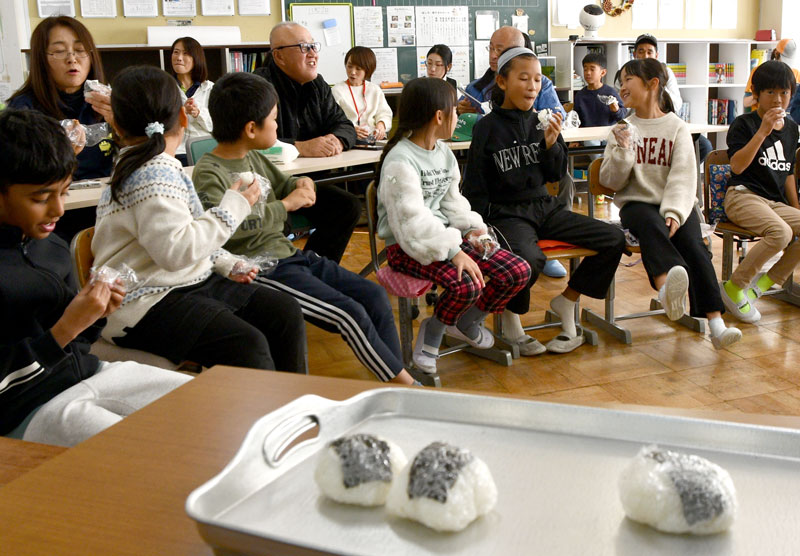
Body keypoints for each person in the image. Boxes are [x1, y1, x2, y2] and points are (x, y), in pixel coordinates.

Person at [193, 72, 416, 385]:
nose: (277, 125)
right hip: (261, 267)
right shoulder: (209, 173)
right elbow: (226, 230)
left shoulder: (254, 156)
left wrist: (302, 182)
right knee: (349, 314)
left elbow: (284, 183)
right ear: (251, 128)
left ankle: (396, 375)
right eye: (273, 119)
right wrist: (286, 205)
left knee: (373, 297)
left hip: (290, 256)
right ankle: (405, 385)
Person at [91, 65, 307, 373]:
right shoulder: (152, 173)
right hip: (143, 301)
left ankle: (291, 410)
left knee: (282, 311)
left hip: (182, 283)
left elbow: (184, 232)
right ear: (182, 117)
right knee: (247, 345)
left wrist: (223, 261)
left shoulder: (154, 167)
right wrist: (233, 207)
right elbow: (176, 252)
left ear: (118, 127)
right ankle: (266, 417)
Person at [0, 108, 190, 447]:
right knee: (141, 450)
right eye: (41, 197)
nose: (58, 210)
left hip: (84, 374)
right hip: (24, 410)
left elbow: (78, 346)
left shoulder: (52, 248)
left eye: (64, 192)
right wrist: (66, 329)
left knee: (200, 403)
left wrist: (95, 315)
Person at [462, 48, 626, 355]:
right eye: (523, 78)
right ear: (502, 81)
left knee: (613, 238)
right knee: (529, 259)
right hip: (506, 212)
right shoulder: (487, 127)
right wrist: (478, 226)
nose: (532, 86)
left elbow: (555, 176)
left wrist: (551, 144)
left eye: (537, 79)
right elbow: (475, 184)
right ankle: (512, 322)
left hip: (544, 206)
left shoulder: (545, 121)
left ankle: (567, 300)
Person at [377, 77, 531, 374]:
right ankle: (434, 331)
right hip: (407, 246)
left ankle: (465, 322)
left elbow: (453, 202)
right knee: (467, 284)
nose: (458, 117)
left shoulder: (443, 153)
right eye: (454, 111)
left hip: (443, 239)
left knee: (516, 271)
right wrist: (452, 251)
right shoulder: (400, 160)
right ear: (439, 116)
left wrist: (473, 231)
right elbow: (411, 223)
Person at [599, 58, 742, 349]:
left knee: (695, 245)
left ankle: (716, 324)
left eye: (628, 80)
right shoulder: (622, 128)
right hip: (637, 203)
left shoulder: (677, 128)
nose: (622, 87)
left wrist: (676, 212)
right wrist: (624, 151)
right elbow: (610, 181)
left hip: (675, 203)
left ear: (652, 84)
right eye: (621, 81)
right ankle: (667, 291)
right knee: (651, 226)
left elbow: (684, 177)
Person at [254, 22, 360, 264]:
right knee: (278, 219)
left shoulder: (318, 84)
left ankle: (314, 267)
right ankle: (284, 275)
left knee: (347, 206)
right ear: (278, 56)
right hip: (267, 187)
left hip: (307, 182)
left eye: (314, 46)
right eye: (304, 47)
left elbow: (344, 125)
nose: (313, 54)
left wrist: (338, 141)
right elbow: (249, 139)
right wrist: (300, 147)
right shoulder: (257, 87)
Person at [7, 16, 114, 240]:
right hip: (52, 223)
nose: (72, 58)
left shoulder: (105, 102)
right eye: (59, 51)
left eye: (80, 50)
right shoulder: (22, 114)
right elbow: (22, 182)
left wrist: (124, 127)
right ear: (41, 60)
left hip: (107, 214)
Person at [719, 61, 800, 324]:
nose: (778, 99)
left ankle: (761, 286)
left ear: (792, 94)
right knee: (781, 233)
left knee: (793, 227)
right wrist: (763, 131)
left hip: (772, 202)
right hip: (742, 195)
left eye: (784, 93)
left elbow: (788, 173)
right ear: (757, 95)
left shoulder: (791, 129)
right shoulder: (744, 124)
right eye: (770, 92)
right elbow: (737, 166)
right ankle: (733, 287)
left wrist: (795, 209)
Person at [632, 33, 712, 165]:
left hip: (666, 123)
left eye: (649, 52)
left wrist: (658, 82)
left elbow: (676, 104)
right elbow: (625, 105)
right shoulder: (627, 73)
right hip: (639, 125)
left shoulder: (666, 72)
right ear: (634, 54)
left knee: (704, 146)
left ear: (656, 56)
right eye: (641, 52)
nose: (645, 56)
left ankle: (677, 175)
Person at [168, 37, 213, 166]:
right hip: (177, 151)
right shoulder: (164, 88)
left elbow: (218, 125)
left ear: (196, 58)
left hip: (205, 150)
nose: (179, 58)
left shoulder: (210, 88)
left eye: (185, 53)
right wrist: (182, 112)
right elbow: (159, 124)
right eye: (176, 52)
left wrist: (198, 113)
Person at [332, 46, 392, 142]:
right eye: (349, 66)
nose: (353, 72)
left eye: (358, 68)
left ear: (367, 70)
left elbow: (384, 113)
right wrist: (350, 129)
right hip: (348, 139)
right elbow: (333, 120)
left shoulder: (374, 90)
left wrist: (381, 124)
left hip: (374, 139)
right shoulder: (337, 90)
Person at [744, 39, 800, 113]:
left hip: (785, 118)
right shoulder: (760, 72)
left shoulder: (796, 73)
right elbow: (746, 102)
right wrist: (760, 95)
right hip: (759, 118)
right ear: (776, 54)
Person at [571, 52, 626, 127]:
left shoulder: (610, 93)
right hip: (586, 135)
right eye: (585, 69)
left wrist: (616, 110)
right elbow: (576, 120)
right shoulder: (580, 95)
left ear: (603, 72)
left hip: (606, 135)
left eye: (592, 69)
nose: (588, 73)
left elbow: (623, 118)